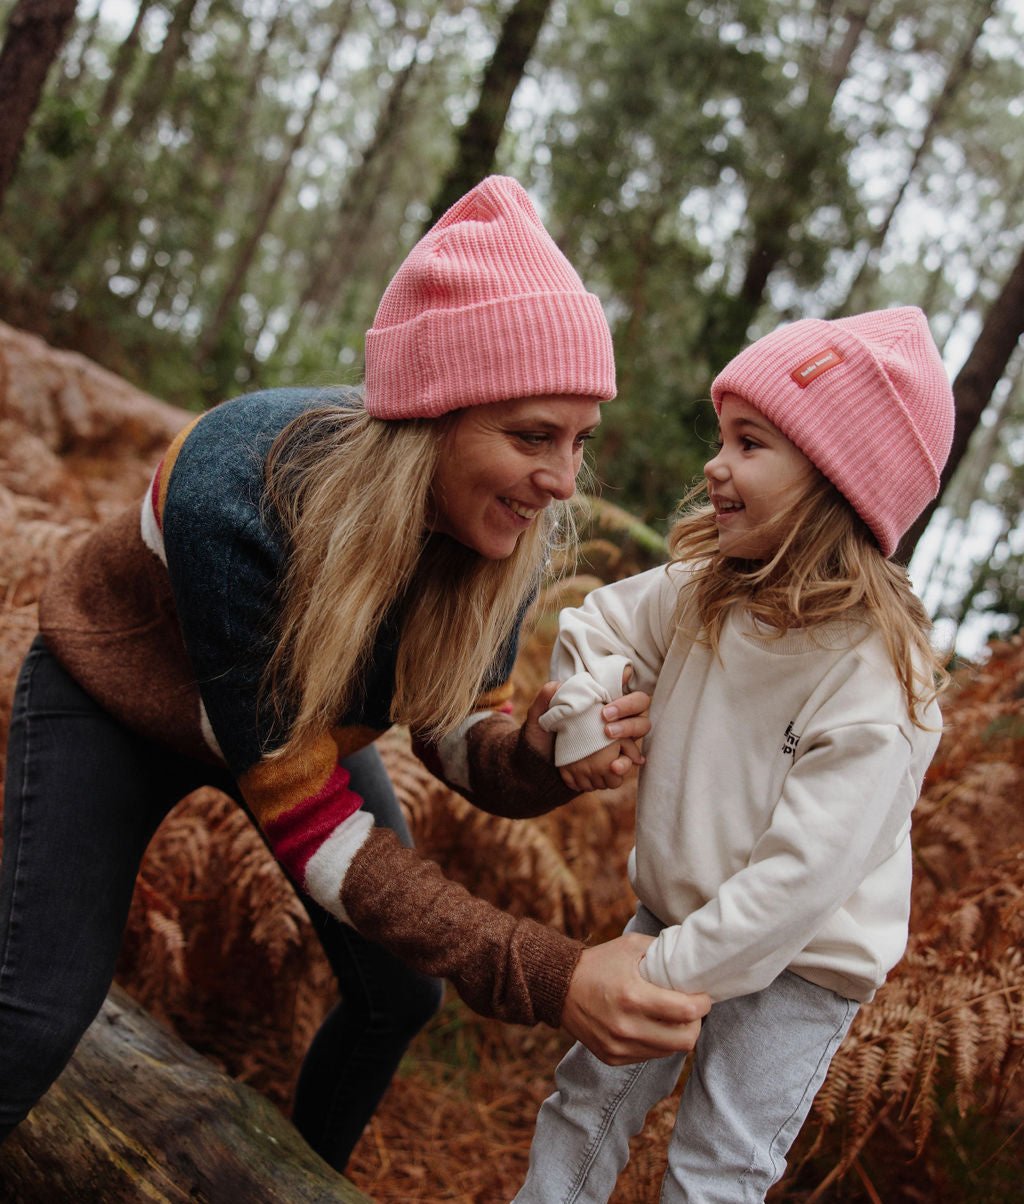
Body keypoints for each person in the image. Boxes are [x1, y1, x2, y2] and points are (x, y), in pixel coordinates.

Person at [0, 176, 709, 1171]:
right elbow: (309, 820)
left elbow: (460, 737)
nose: (563, 481)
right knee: (34, 1011)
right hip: (116, 703)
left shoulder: (495, 527)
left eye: (579, 440)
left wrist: (543, 752)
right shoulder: (236, 484)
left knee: (397, 993)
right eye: (533, 434)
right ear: (434, 414)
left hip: (294, 734)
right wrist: (554, 975)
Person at [513, 307, 955, 1203]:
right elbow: (597, 622)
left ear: (837, 482)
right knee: (584, 1101)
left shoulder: (880, 683)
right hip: (671, 915)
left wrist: (659, 974)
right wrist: (590, 717)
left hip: (802, 966)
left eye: (749, 443)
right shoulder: (705, 591)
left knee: (717, 1166)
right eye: (723, 437)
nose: (715, 464)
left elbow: (797, 882)